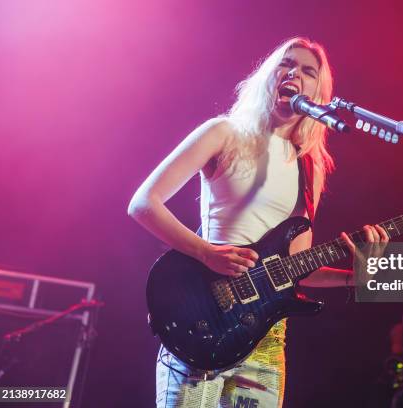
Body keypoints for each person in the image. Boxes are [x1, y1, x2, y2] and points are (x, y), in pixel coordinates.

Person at [128, 37, 389, 408]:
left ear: (318, 91)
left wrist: (354, 277)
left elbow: (294, 267)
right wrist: (206, 253)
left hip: (266, 339)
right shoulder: (223, 132)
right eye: (287, 64)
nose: (295, 73)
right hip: (203, 318)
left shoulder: (310, 164)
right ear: (270, 76)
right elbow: (143, 203)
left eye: (308, 71)